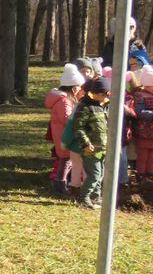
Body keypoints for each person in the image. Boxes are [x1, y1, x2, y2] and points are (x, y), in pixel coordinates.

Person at [45, 64, 84, 196]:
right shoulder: (65, 102)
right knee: (67, 159)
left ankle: (60, 182)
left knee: (66, 159)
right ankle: (60, 183)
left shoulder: (63, 100)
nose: (80, 90)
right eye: (78, 87)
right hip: (65, 136)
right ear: (73, 88)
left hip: (61, 134)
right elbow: (67, 119)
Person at [72, 78, 111, 209]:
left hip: (102, 148)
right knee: (94, 175)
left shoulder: (103, 106)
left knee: (100, 175)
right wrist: (86, 144)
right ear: (95, 93)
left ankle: (95, 197)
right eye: (103, 95)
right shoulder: (85, 107)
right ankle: (83, 198)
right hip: (90, 149)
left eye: (107, 95)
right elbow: (78, 128)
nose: (105, 97)